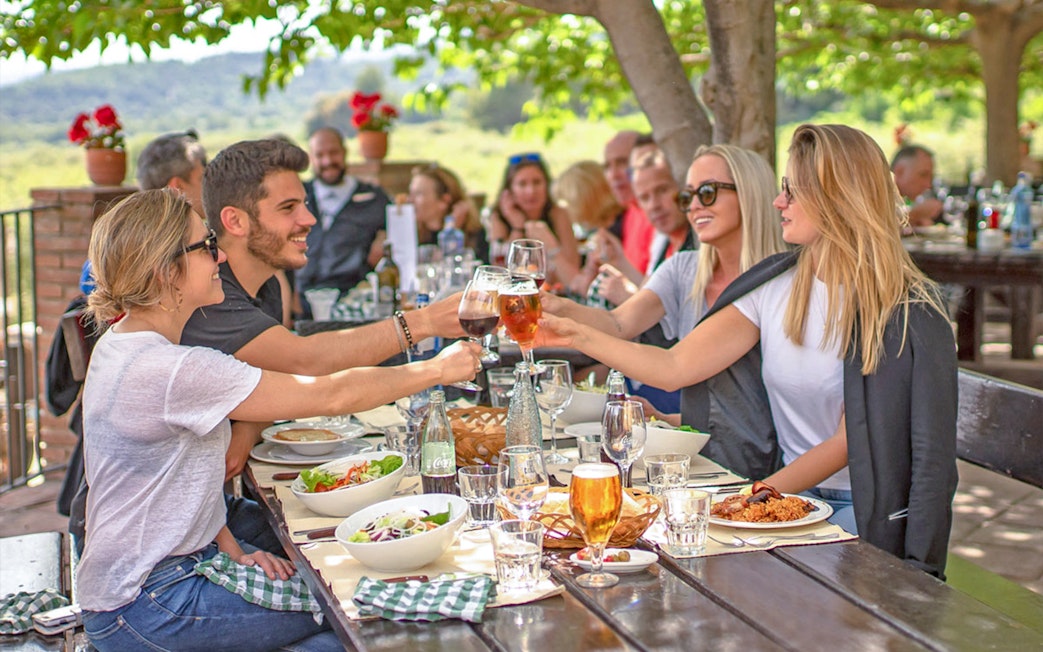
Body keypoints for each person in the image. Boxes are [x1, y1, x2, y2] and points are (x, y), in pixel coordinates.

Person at [540, 124, 958, 578]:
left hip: (862, 515)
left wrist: (751, 499)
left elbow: (848, 442)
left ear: (838, 197)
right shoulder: (775, 285)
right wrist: (576, 334)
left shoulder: (903, 308)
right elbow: (675, 366)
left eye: (793, 192)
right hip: (791, 504)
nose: (780, 203)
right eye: (782, 190)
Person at [77, 189, 480, 650]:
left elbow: (164, 485)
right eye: (207, 247)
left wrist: (231, 548)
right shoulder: (172, 370)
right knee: (354, 623)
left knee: (324, 558)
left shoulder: (124, 343)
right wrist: (439, 368)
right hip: (147, 602)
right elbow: (329, 394)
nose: (221, 257)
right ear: (167, 272)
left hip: (143, 575)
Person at [182, 139, 467, 479]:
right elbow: (305, 363)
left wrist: (247, 426)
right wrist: (425, 323)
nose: (310, 219)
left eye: (304, 204)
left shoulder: (268, 283)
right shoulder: (209, 295)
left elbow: (278, 379)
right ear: (236, 221)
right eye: (288, 208)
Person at [543, 143, 789, 476]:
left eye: (708, 192)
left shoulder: (779, 280)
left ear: (749, 193)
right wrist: (555, 306)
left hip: (770, 468)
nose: (695, 207)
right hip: (707, 458)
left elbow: (676, 369)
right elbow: (618, 323)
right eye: (688, 197)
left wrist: (572, 333)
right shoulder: (683, 268)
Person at [295, 127, 390, 318]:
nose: (328, 161)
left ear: (345, 152)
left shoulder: (373, 198)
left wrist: (385, 242)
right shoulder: (297, 197)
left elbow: (402, 235)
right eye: (320, 155)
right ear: (310, 158)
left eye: (334, 153)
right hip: (300, 302)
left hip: (352, 303)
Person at [592, 149, 696, 306]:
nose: (654, 205)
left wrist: (629, 298)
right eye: (644, 197)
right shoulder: (662, 240)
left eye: (662, 190)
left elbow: (682, 318)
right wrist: (620, 261)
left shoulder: (699, 242)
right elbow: (651, 290)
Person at [486, 152, 581, 285]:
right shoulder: (498, 217)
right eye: (522, 184)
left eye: (537, 182)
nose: (531, 191)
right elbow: (503, 276)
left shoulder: (558, 214)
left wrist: (550, 242)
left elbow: (573, 272)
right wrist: (517, 227)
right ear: (510, 190)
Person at [408, 163, 488, 262]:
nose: (410, 200)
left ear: (444, 201)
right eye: (411, 193)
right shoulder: (412, 233)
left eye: (418, 194)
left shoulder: (473, 234)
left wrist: (452, 232)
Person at [602, 131, 656, 275]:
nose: (613, 174)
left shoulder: (659, 213)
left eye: (622, 162)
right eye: (607, 166)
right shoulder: (631, 211)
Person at [891, 144, 943, 227]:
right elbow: (878, 227)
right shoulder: (877, 193)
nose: (928, 185)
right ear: (899, 172)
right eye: (923, 175)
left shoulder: (900, 200)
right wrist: (915, 214)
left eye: (931, 177)